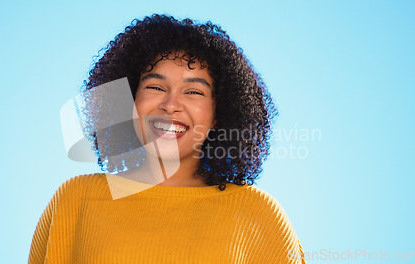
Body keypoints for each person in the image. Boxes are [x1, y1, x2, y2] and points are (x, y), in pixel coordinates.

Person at [28, 14, 306, 263]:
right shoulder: (76, 199)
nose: (171, 104)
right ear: (130, 101)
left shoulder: (258, 214)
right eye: (155, 86)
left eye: (194, 91)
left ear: (219, 114)